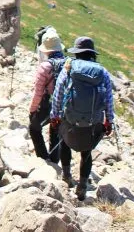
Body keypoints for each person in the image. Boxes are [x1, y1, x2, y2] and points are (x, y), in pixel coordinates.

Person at [50, 36, 116, 201]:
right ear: (92, 53)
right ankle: (83, 185)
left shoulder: (69, 67)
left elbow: (58, 93)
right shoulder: (102, 72)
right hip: (92, 122)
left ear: (77, 53)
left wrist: (54, 116)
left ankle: (66, 176)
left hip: (70, 119)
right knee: (87, 152)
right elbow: (109, 99)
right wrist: (109, 120)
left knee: (64, 142)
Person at [28, 28, 67, 163]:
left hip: (47, 104)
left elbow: (38, 93)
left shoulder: (45, 67)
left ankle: (43, 157)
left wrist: (32, 109)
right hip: (65, 104)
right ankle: (54, 159)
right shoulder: (69, 64)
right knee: (56, 129)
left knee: (34, 128)